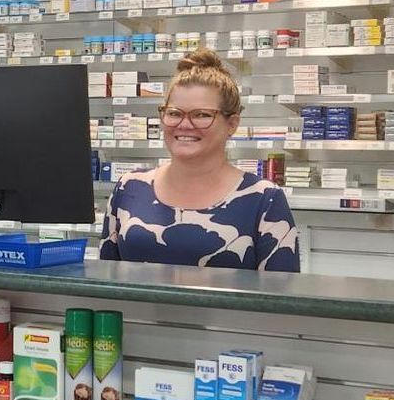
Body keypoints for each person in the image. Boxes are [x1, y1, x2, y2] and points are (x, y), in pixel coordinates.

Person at [99, 48, 300, 271]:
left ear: (232, 124)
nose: (184, 124)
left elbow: (281, 296)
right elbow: (106, 280)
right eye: (174, 113)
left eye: (202, 115)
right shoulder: (130, 188)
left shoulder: (263, 199)